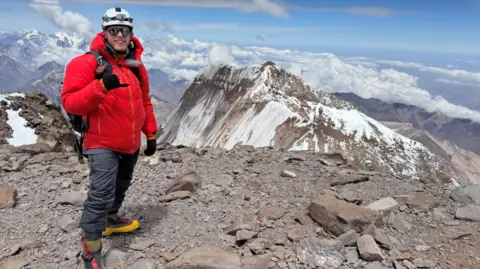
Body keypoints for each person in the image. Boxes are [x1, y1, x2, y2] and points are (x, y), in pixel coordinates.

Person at [61, 7, 158, 269]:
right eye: (114, 30)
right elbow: (71, 103)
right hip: (100, 142)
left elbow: (144, 102)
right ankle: (91, 251)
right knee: (101, 193)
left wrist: (150, 133)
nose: (119, 35)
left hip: (130, 143)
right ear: (104, 32)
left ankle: (111, 219)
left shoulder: (136, 67)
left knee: (121, 185)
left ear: (130, 34)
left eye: (124, 30)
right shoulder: (86, 63)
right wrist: (100, 86)